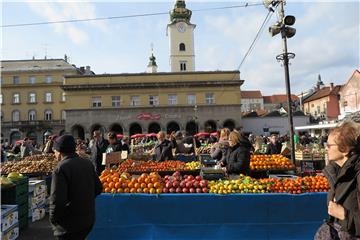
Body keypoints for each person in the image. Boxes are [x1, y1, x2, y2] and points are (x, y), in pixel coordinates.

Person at [50, 135, 102, 240]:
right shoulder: (87, 163)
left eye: (54, 151)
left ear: (59, 152)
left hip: (69, 225)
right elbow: (98, 188)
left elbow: (57, 201)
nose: (54, 155)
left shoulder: (61, 168)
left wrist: (53, 219)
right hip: (87, 220)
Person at [318, 121, 360, 238]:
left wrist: (343, 214)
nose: (326, 149)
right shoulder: (337, 173)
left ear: (345, 149)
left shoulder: (356, 173)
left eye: (329, 145)